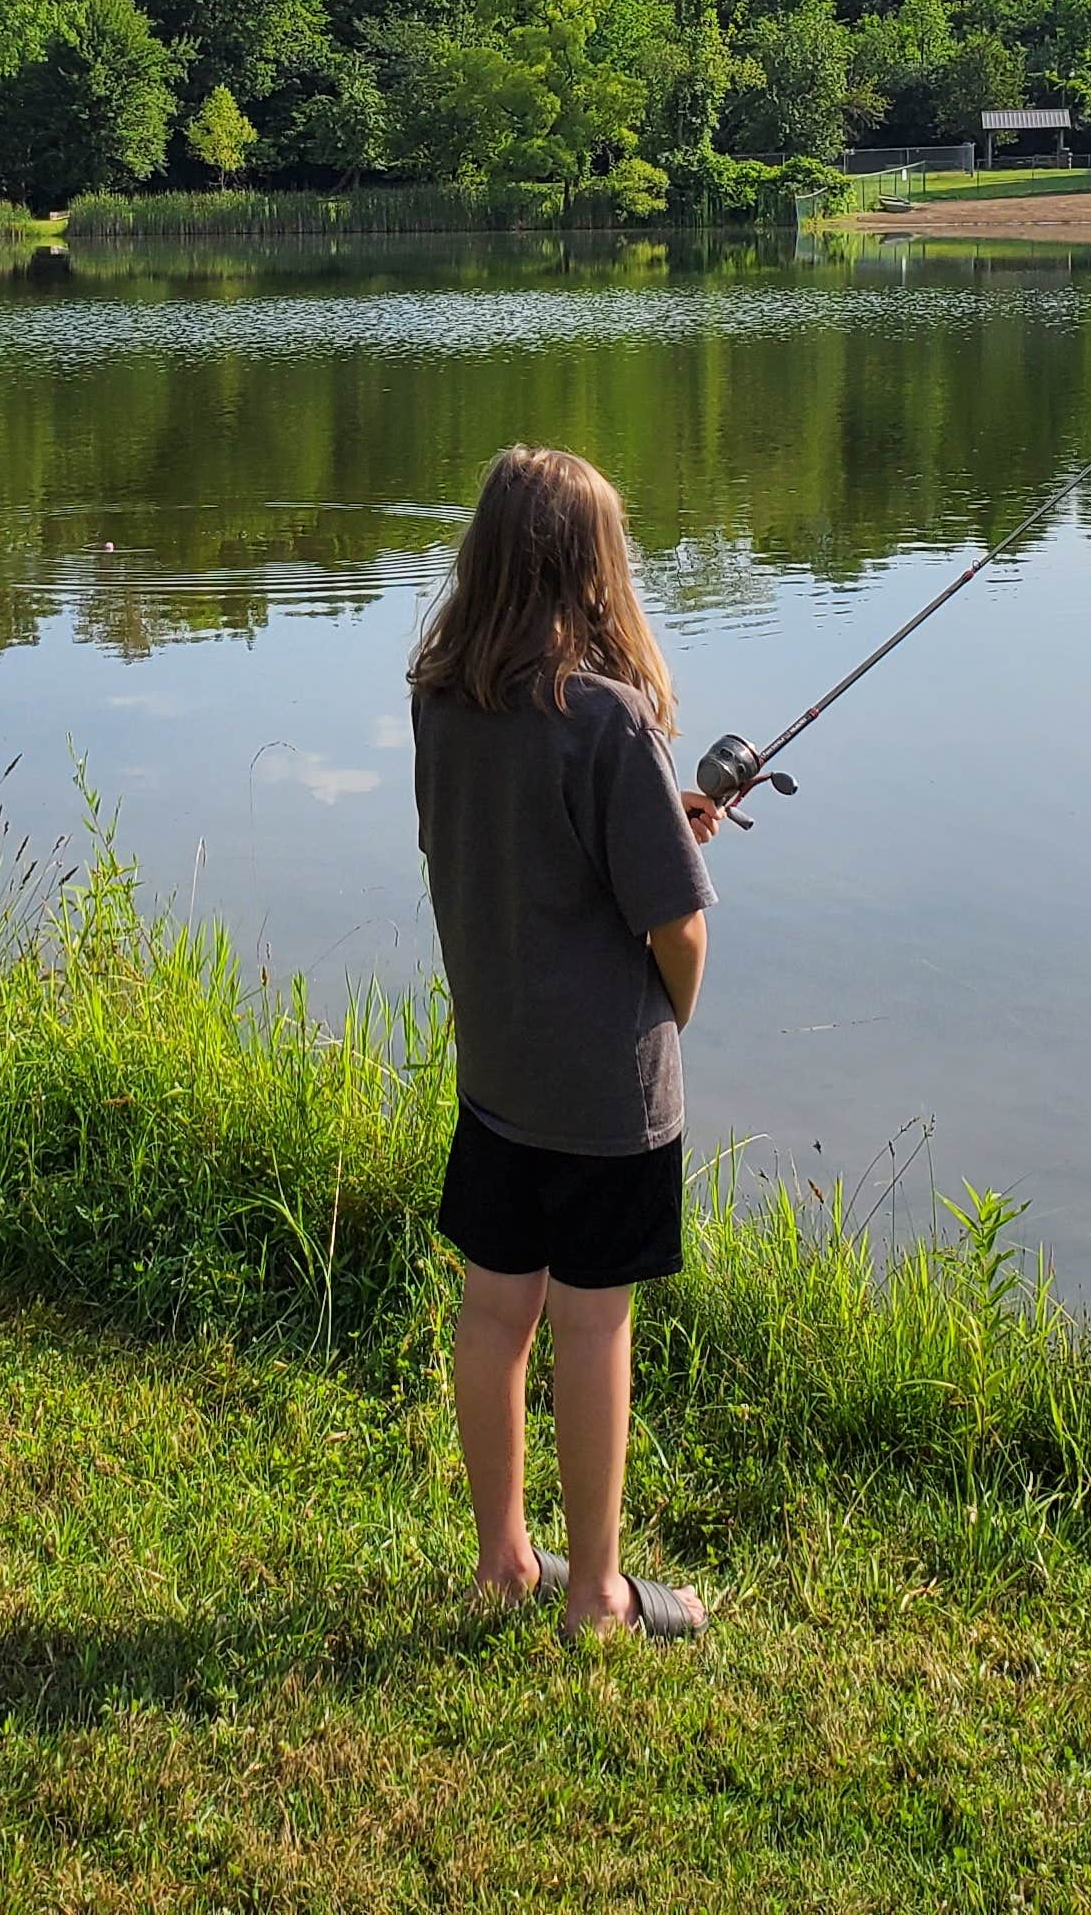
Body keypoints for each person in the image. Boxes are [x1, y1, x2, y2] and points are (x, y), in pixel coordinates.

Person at [409, 444, 721, 1641]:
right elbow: (676, 928)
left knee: (495, 1314)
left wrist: (657, 819)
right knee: (594, 1327)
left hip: (497, 1079)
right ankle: (597, 1593)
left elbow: (515, 846)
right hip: (606, 1100)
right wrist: (671, 1012)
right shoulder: (610, 721)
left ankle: (505, 1563)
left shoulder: (441, 703)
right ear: (594, 574)